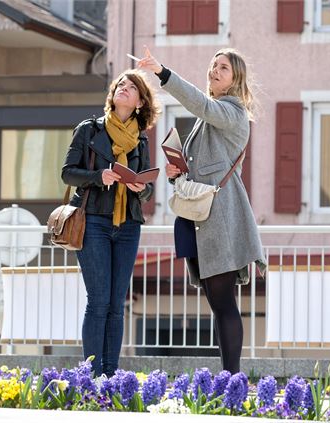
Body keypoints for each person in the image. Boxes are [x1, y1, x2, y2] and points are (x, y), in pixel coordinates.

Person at [137, 47, 266, 374]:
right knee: (219, 303)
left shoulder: (232, 111)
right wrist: (178, 172)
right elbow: (203, 169)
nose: (214, 70)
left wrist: (162, 72)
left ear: (236, 79)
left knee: (224, 304)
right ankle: (229, 378)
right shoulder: (213, 116)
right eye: (213, 65)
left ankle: (232, 380)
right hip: (201, 217)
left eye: (223, 67)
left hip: (219, 219)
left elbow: (201, 104)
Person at [61, 69, 160, 377]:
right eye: (121, 85)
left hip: (128, 225)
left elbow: (147, 185)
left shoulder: (139, 140)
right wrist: (96, 177)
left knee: (117, 304)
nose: (124, 89)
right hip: (94, 222)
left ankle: (112, 375)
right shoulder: (89, 130)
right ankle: (90, 376)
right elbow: (67, 173)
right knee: (99, 300)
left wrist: (141, 188)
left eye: (131, 87)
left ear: (140, 101)